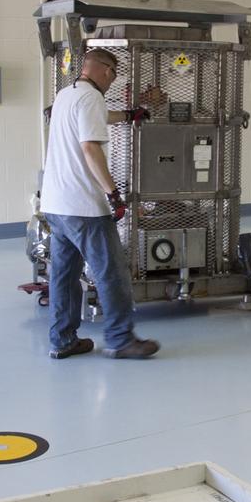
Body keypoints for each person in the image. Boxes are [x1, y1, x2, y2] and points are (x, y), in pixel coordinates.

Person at [40, 48, 160, 358]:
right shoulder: (92, 97)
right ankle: (121, 339)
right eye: (114, 75)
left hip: (56, 204)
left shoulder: (67, 94)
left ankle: (62, 340)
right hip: (84, 206)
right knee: (111, 272)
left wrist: (129, 116)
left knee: (63, 276)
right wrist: (113, 194)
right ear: (106, 71)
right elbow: (90, 147)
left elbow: (97, 118)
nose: (112, 81)